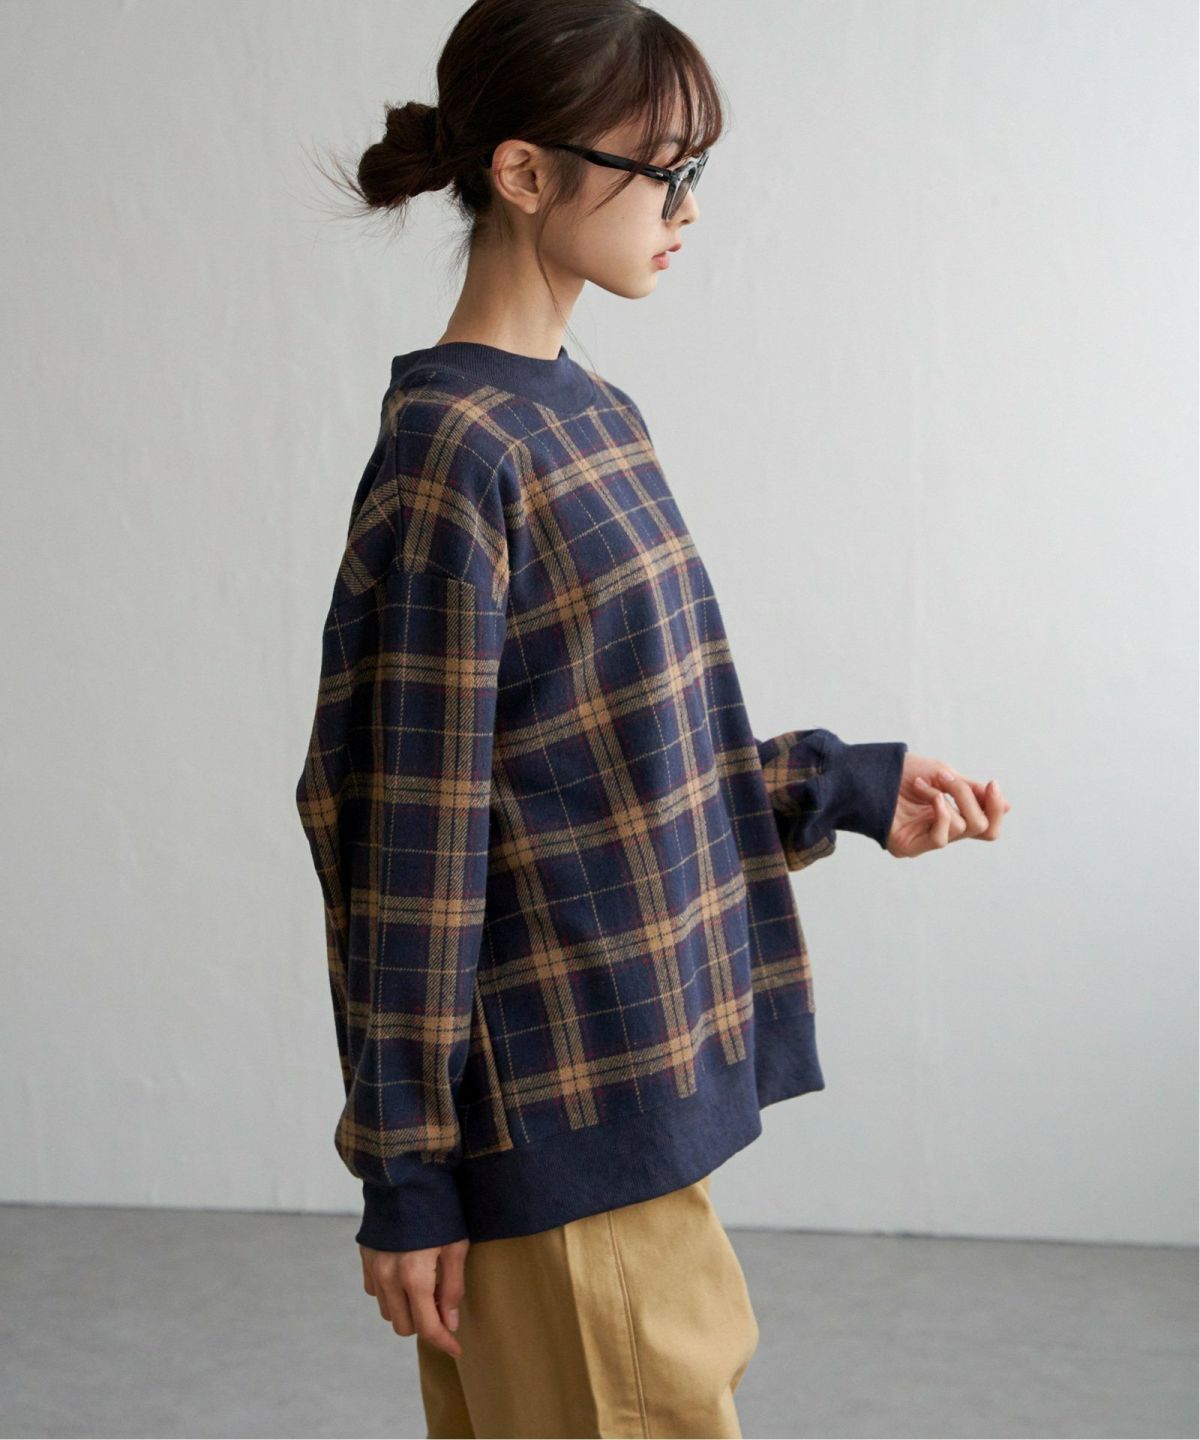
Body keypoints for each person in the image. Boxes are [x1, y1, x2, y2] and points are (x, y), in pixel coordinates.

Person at [294, 2, 1011, 1435]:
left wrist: (845, 789)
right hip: (554, 1139)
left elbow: (618, 760)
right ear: (524, 173)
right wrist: (408, 1172)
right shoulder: (455, 453)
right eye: (661, 172)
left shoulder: (591, 413)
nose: (687, 212)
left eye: (698, 173)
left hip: (621, 1109)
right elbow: (410, 846)